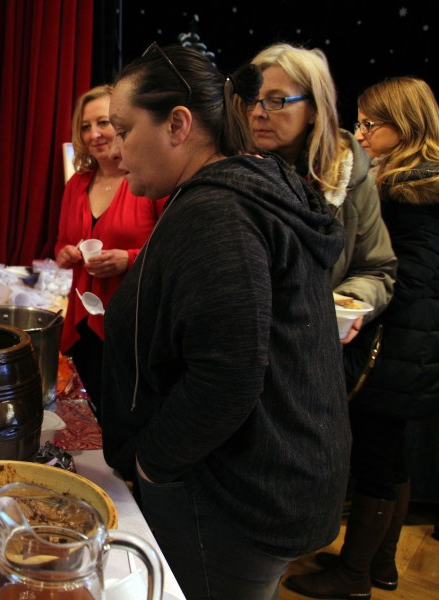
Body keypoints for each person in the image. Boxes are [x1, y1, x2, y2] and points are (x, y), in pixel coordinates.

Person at [101, 43, 351, 599]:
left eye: (123, 129)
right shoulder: (237, 190)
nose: (115, 151)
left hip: (237, 493)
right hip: (265, 480)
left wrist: (151, 464)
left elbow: (228, 374)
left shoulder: (219, 211)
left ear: (178, 124)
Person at [285, 76, 439, 599]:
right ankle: (382, 564)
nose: (361, 133)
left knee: (375, 453)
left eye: (372, 124)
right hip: (413, 346)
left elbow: (409, 277)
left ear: (408, 126)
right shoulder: (418, 179)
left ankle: (353, 576)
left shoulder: (411, 190)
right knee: (390, 456)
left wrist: (357, 310)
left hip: (395, 344)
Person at [248, 44, 396, 344]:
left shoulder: (348, 175)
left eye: (276, 101)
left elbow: (376, 269)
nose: (258, 113)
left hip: (311, 353)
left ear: (314, 108)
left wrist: (345, 303)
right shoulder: (226, 169)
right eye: (252, 99)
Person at [54, 85, 163, 416]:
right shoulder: (77, 183)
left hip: (132, 325)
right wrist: (67, 254)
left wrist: (127, 259)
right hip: (84, 321)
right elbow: (60, 244)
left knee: (130, 414)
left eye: (103, 122)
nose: (94, 134)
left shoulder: (149, 180)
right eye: (86, 127)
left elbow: (172, 251)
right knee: (97, 410)